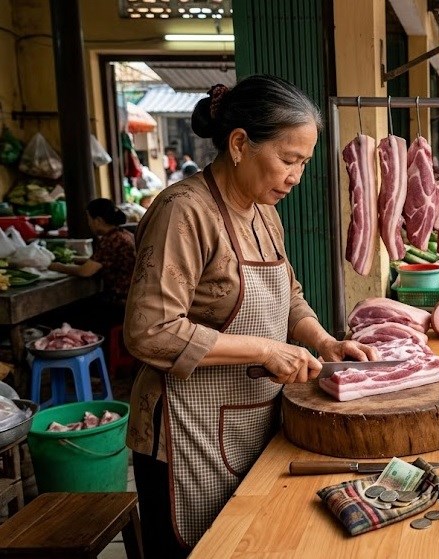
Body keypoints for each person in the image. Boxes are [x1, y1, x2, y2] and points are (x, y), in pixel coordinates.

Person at [123, 76, 378, 558]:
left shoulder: (264, 211)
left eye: (304, 163)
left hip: (251, 418)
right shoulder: (184, 211)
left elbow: (287, 295)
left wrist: (323, 341)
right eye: (288, 159)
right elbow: (150, 332)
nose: (296, 177)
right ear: (239, 144)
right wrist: (264, 349)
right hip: (185, 430)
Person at [48, 198, 136, 324]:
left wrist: (58, 267)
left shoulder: (111, 239)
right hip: (133, 297)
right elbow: (102, 260)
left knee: (71, 313)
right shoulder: (124, 234)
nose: (89, 224)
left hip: (122, 301)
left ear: (98, 220)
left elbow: (85, 272)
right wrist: (74, 259)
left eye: (89, 219)